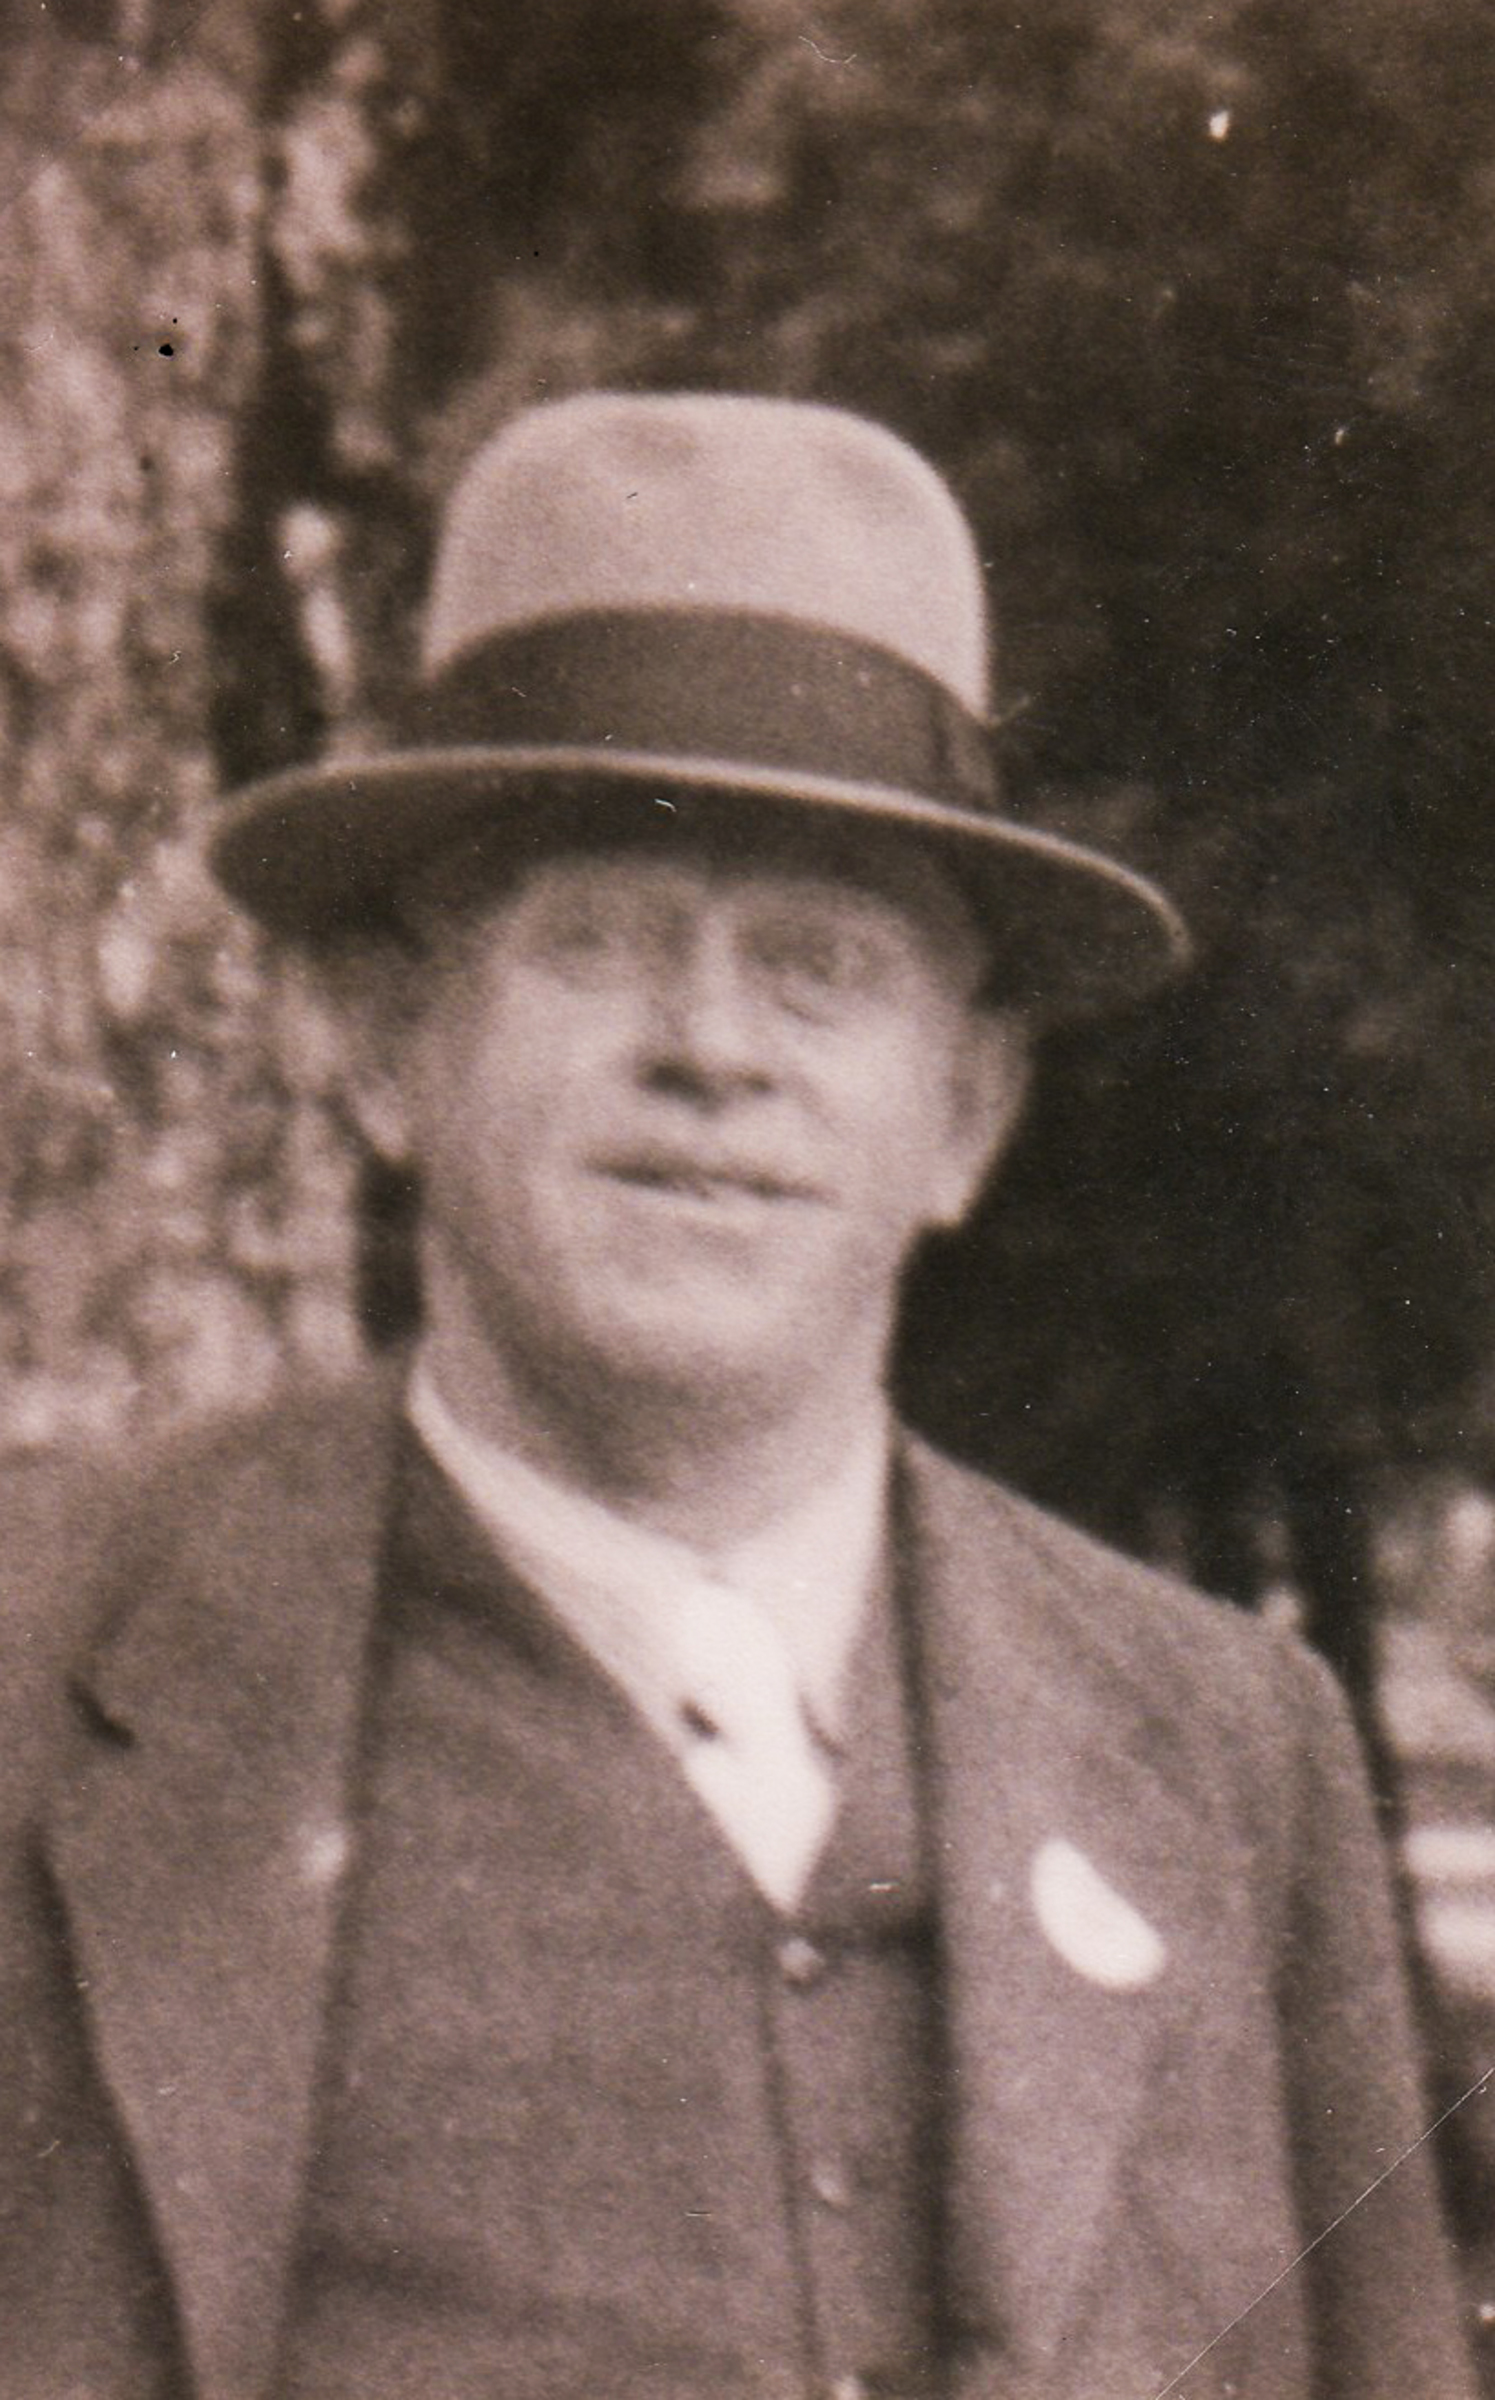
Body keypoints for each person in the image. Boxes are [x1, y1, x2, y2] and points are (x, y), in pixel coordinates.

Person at [0, 392, 1477, 2400]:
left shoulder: (1228, 1757)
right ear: (385, 1048)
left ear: (965, 1112)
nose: (711, 1048)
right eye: (600, 941)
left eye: (820, 966)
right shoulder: (47, 1668)